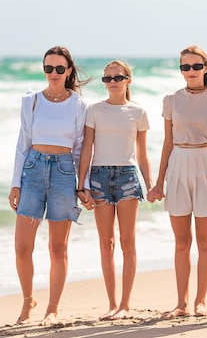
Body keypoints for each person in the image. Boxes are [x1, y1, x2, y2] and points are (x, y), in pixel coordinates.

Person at [8, 46, 89, 326]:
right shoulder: (31, 101)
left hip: (64, 173)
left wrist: (82, 185)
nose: (53, 74)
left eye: (59, 68)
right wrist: (15, 183)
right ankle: (28, 299)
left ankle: (52, 308)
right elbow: (22, 144)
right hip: (32, 170)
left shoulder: (79, 104)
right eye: (48, 68)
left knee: (57, 248)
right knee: (22, 247)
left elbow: (80, 148)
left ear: (68, 71)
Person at [149, 45, 207, 319]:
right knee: (182, 241)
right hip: (178, 166)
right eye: (185, 67)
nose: (191, 71)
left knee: (205, 241)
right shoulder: (171, 100)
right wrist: (159, 182)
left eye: (196, 66)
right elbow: (167, 143)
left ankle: (201, 301)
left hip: (205, 165)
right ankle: (181, 304)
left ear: (206, 68)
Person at [78, 60, 153, 321]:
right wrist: (82, 184)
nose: (112, 82)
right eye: (107, 79)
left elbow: (143, 155)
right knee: (106, 243)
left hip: (128, 177)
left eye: (117, 78)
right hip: (98, 178)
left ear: (127, 81)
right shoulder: (94, 110)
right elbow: (87, 149)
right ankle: (111, 304)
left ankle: (125, 304)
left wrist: (151, 184)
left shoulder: (139, 111)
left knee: (127, 242)